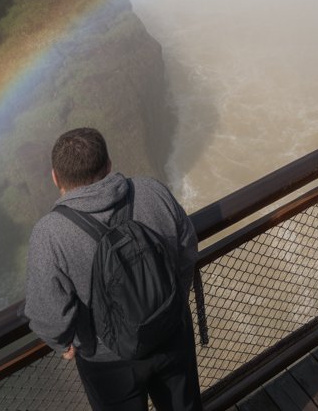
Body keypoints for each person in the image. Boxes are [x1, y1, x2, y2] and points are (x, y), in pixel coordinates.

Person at [24, 127, 202, 411]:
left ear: (55, 177)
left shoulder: (50, 234)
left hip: (107, 360)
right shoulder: (152, 191)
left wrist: (63, 344)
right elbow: (187, 246)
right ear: (109, 164)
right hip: (170, 332)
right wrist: (176, 297)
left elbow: (47, 314)